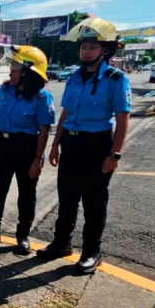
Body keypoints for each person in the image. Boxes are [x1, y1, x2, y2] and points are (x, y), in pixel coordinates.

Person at [36, 17, 131, 274]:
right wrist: (55, 146)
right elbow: (66, 114)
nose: (85, 52)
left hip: (97, 145)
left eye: (92, 47)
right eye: (83, 47)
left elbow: (123, 119)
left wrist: (115, 154)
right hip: (71, 143)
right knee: (66, 199)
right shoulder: (74, 77)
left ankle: (91, 252)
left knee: (93, 202)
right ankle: (61, 244)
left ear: (105, 50)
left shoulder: (116, 79)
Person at [0, 45, 55, 255]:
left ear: (29, 72)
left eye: (16, 68)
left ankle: (23, 237)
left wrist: (38, 159)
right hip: (3, 145)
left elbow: (44, 131)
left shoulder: (41, 98)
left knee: (26, 195)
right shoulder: (6, 88)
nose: (11, 71)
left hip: (27, 148)